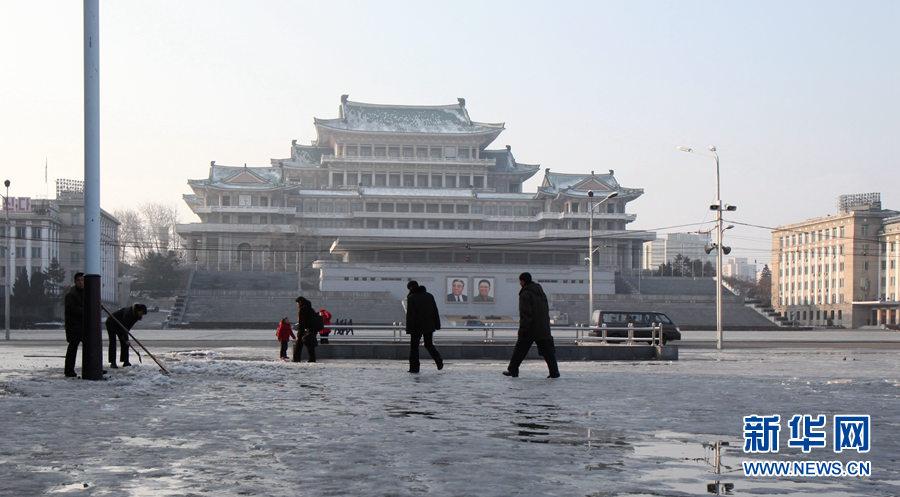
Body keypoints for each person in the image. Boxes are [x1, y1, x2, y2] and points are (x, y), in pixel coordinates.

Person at [503, 272, 560, 378]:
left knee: (519, 351)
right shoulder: (540, 292)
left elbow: (526, 313)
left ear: (523, 281)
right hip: (543, 327)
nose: (520, 283)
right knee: (548, 352)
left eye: (520, 281)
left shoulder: (525, 294)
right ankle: (554, 372)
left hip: (530, 328)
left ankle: (513, 370)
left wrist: (523, 329)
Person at [405, 281, 443, 373]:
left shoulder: (411, 298)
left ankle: (414, 368)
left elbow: (410, 315)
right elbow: (435, 311)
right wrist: (437, 325)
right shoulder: (429, 296)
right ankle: (439, 361)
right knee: (429, 345)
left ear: (410, 288)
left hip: (416, 327)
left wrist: (409, 329)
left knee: (414, 348)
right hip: (429, 325)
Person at [105, 303, 147, 368]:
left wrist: (125, 339)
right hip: (111, 323)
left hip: (121, 325)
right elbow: (124, 327)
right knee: (113, 343)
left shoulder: (136, 316)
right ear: (138, 310)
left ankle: (126, 361)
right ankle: (113, 362)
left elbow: (127, 328)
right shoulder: (128, 313)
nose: (142, 315)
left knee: (126, 343)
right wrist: (125, 338)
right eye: (141, 313)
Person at [63, 272, 85, 378]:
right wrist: (87, 310)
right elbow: (73, 310)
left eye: (83, 280)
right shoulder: (71, 295)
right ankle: (69, 371)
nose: (81, 282)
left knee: (89, 347)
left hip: (83, 325)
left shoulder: (87, 293)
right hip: (74, 326)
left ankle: (91, 367)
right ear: (75, 282)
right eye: (79, 280)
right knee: (73, 348)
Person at [292, 296, 321, 363]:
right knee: (310, 345)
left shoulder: (302, 309)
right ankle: (312, 359)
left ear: (300, 302)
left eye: (297, 303)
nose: (297, 305)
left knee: (298, 345)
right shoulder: (311, 309)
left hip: (305, 330)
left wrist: (300, 332)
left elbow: (301, 322)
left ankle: (296, 359)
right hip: (312, 330)